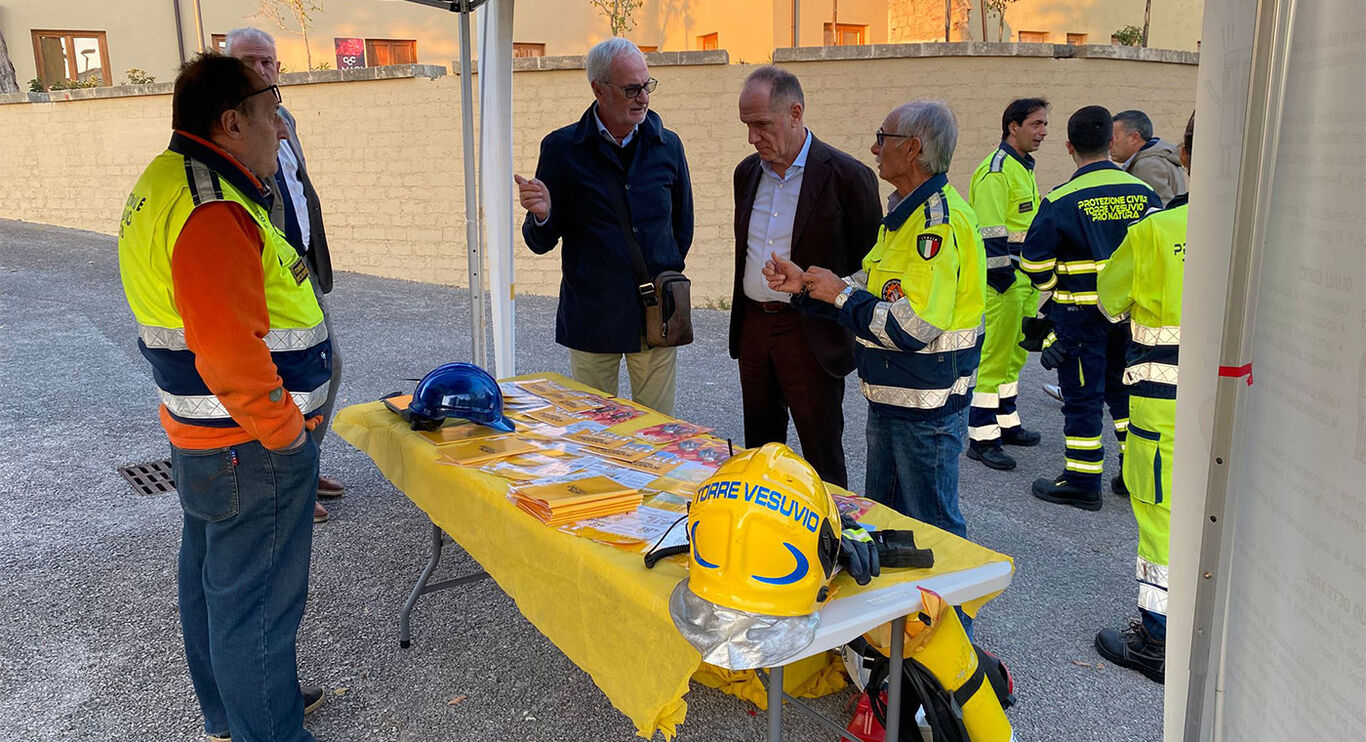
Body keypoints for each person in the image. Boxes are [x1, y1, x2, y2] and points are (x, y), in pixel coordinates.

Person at [117, 53, 327, 742]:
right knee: (258, 603)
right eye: (273, 117)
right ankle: (269, 730)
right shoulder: (212, 207)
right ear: (231, 123)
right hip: (249, 443)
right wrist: (287, 435)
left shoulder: (168, 179)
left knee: (216, 584)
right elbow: (229, 347)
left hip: (210, 438)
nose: (284, 133)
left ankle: (234, 714)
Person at [764, 100, 984, 540]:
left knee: (933, 529)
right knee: (885, 521)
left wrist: (841, 294)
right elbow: (874, 284)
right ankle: (902, 611)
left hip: (926, 408)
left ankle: (952, 612)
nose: (873, 147)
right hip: (894, 400)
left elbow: (912, 326)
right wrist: (808, 284)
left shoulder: (935, 224)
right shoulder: (905, 213)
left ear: (913, 149)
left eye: (883, 138)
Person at [515, 38, 693, 415]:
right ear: (598, 89)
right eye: (631, 88)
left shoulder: (668, 146)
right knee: (593, 434)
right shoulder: (562, 149)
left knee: (658, 431)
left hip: (658, 315)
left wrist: (664, 275)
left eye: (647, 85)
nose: (643, 97)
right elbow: (539, 240)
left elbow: (682, 226)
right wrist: (543, 213)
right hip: (592, 317)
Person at [730, 66, 881, 487]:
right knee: (759, 452)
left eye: (761, 124)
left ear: (795, 113)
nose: (752, 137)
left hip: (812, 333)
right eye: (746, 125)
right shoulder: (746, 174)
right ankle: (760, 534)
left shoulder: (848, 177)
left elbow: (872, 267)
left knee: (822, 454)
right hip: (755, 329)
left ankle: (832, 540)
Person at [227, 26, 344, 524]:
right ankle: (287, 482)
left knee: (324, 368)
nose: (262, 70)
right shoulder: (230, 128)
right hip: (267, 275)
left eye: (269, 62)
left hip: (300, 264)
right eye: (250, 62)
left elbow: (298, 187)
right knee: (292, 377)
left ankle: (304, 464)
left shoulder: (283, 116)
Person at [1092, 112, 1194, 683]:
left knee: (1162, 523)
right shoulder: (1264, 228)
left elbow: (1110, 299)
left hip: (1165, 406)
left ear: (1184, 154)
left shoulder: (1157, 231)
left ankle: (1157, 641)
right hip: (1242, 405)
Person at [1021, 105, 1160, 510]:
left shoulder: (1062, 198)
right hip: (1130, 316)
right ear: (1110, 142)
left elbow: (1033, 261)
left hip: (1079, 317)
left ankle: (1082, 481)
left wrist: (1054, 287)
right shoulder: (1143, 193)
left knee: (1082, 397)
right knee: (1124, 394)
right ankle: (1132, 474)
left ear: (1069, 147)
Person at [964, 98, 1049, 471]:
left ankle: (1006, 421)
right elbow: (989, 232)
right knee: (994, 357)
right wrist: (1003, 281)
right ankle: (982, 437)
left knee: (1014, 355)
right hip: (1004, 282)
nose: (1043, 132)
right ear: (1012, 126)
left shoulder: (1021, 167)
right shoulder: (996, 170)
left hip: (1022, 280)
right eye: (1036, 124)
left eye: (1045, 124)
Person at [1111, 109, 1186, 205]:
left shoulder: (1147, 165)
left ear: (1134, 138)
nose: (1110, 144)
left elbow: (1160, 209)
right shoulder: (1161, 157)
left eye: (1114, 138)